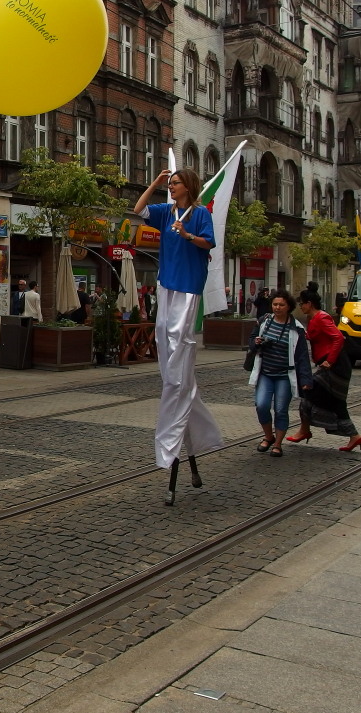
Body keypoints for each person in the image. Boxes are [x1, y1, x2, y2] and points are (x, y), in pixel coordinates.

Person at [134, 166, 224, 503]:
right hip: (167, 283)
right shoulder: (165, 211)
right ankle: (174, 381)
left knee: (180, 339)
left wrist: (186, 234)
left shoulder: (199, 214)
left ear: (189, 186)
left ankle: (176, 382)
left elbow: (208, 242)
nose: (171, 187)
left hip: (188, 285)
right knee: (164, 337)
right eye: (169, 183)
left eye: (175, 183)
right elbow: (139, 210)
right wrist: (154, 183)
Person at [286, 282, 361, 452]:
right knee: (336, 401)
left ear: (309, 304)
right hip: (329, 364)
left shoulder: (322, 317)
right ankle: (354, 436)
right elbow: (317, 337)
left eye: (302, 303)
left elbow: (338, 338)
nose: (300, 307)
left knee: (310, 391)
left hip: (335, 365)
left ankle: (305, 430)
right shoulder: (314, 318)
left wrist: (329, 361)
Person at [248, 289, 313, 457]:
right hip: (265, 373)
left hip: (285, 375)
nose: (277, 307)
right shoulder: (264, 321)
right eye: (275, 304)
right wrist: (256, 342)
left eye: (281, 305)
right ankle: (268, 436)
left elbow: (302, 356)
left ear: (288, 306)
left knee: (280, 409)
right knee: (261, 405)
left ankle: (277, 444)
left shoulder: (296, 328)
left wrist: (306, 380)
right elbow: (251, 341)